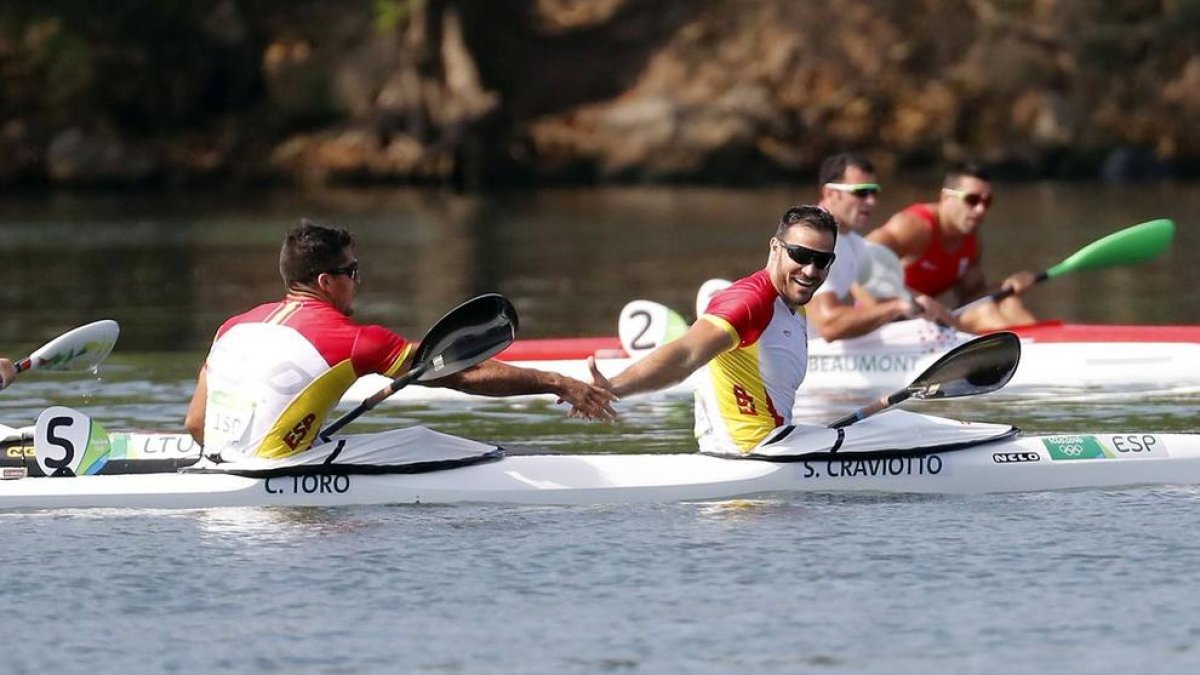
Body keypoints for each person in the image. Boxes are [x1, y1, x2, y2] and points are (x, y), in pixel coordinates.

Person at [185, 219, 616, 463]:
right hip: (278, 478)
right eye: (351, 272)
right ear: (324, 281)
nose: (359, 280)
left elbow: (195, 424)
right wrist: (556, 382)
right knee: (425, 440)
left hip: (220, 470)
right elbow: (459, 374)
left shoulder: (231, 327)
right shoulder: (354, 340)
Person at [582, 205, 836, 455]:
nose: (810, 270)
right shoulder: (749, 303)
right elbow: (685, 354)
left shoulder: (795, 305)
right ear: (775, 248)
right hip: (746, 456)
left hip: (775, 449)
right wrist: (612, 388)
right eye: (800, 255)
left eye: (822, 260)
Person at [868, 162, 1037, 332]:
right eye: (972, 200)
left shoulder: (971, 241)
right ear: (946, 198)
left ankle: (1043, 342)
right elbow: (862, 258)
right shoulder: (914, 226)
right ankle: (1030, 348)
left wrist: (1006, 286)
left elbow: (972, 296)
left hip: (927, 322)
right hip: (882, 324)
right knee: (984, 312)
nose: (980, 210)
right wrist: (914, 299)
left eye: (987, 202)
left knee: (1008, 302)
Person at [806, 152, 953, 341]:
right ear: (830, 194)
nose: (871, 201)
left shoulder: (853, 243)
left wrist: (938, 313)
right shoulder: (813, 239)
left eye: (874, 192)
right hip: (789, 359)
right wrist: (896, 308)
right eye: (861, 192)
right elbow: (829, 326)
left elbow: (890, 295)